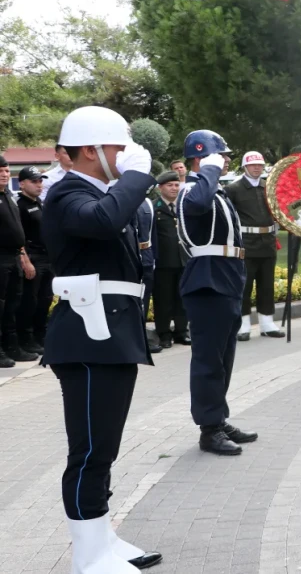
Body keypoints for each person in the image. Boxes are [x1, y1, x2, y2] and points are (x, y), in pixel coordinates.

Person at [41, 106, 162, 571]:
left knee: (103, 447)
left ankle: (102, 537)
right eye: (118, 147)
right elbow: (103, 222)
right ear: (91, 150)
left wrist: (127, 180)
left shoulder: (101, 192)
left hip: (110, 332)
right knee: (89, 449)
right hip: (88, 336)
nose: (126, 155)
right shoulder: (67, 191)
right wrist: (138, 176)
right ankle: (87, 555)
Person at [178, 130, 255, 456]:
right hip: (207, 280)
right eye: (218, 155)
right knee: (209, 361)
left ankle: (218, 417)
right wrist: (207, 169)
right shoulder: (192, 190)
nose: (225, 160)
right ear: (200, 157)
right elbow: (197, 205)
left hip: (226, 276)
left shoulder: (215, 190)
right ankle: (209, 430)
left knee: (224, 358)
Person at [223, 151, 282, 341]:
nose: (257, 167)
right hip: (246, 243)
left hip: (267, 243)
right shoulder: (233, 188)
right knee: (244, 286)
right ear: (245, 167)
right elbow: (229, 217)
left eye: (259, 164)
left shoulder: (268, 187)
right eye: (253, 164)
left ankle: (267, 323)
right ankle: (244, 324)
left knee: (266, 285)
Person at [0, 156, 34, 366]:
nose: (4, 174)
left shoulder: (8, 196)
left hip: (14, 257)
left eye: (6, 171)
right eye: (0, 171)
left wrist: (22, 256)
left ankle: (13, 346)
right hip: (0, 259)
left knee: (13, 304)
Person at [152, 171, 190, 347]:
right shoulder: (154, 207)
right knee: (163, 299)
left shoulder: (184, 206)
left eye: (176, 185)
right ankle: (164, 334)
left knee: (182, 298)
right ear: (161, 188)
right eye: (170, 185)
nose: (174, 188)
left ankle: (182, 331)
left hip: (183, 260)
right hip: (163, 263)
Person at [16, 166, 51, 356]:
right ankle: (26, 338)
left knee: (45, 299)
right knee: (30, 300)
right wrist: (26, 260)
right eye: (34, 181)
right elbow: (19, 237)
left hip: (47, 257)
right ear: (22, 184)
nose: (39, 185)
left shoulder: (39, 202)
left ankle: (40, 335)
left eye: (40, 181)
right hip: (33, 257)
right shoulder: (20, 206)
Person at [135, 186, 161, 355]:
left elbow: (153, 233)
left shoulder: (147, 203)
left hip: (147, 254)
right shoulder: (123, 202)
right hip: (132, 255)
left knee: (145, 297)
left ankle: (142, 330)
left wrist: (154, 258)